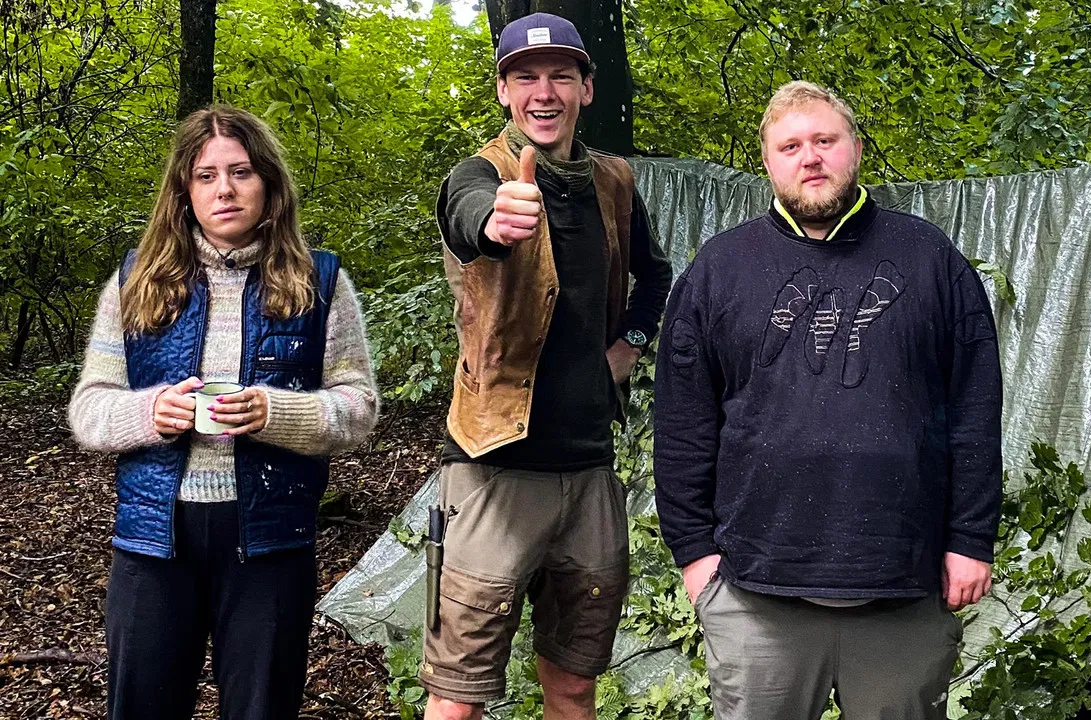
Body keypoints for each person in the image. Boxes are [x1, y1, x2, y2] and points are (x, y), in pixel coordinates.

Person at [653, 80, 1003, 720]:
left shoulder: (929, 259)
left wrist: (970, 539)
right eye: (790, 145)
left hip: (904, 586)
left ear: (856, 149)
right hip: (759, 594)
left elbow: (976, 410)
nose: (809, 157)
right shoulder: (721, 268)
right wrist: (696, 558)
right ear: (768, 162)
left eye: (824, 140)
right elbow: (682, 422)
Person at [68, 105, 379, 720]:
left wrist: (276, 413)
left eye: (240, 172)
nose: (225, 189)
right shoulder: (136, 281)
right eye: (206, 175)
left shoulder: (320, 282)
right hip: (154, 539)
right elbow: (88, 408)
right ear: (184, 192)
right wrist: (151, 412)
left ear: (268, 183)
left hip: (270, 539)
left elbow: (359, 406)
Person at [420, 12, 672, 720]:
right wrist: (498, 222)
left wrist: (627, 351)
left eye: (561, 74)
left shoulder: (615, 183)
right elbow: (470, 216)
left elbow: (655, 277)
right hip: (493, 471)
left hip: (589, 472)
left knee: (573, 686)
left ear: (586, 88)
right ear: (503, 90)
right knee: (456, 698)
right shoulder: (479, 176)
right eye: (526, 76)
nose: (544, 90)